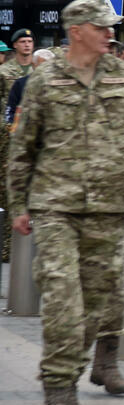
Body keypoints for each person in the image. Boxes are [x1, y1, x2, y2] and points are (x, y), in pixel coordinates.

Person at [7, 0, 124, 405]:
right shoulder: (42, 81)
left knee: (100, 303)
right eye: (102, 27)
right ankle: (57, 390)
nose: (110, 34)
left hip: (110, 209)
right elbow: (24, 148)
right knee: (62, 300)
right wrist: (18, 205)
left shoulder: (122, 78)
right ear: (77, 30)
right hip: (55, 207)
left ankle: (77, 374)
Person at [0, 27, 35, 261]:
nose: (26, 44)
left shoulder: (39, 71)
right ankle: (6, 245)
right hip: (6, 134)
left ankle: (22, 245)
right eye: (22, 41)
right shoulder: (5, 71)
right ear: (15, 45)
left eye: (30, 41)